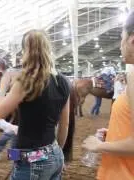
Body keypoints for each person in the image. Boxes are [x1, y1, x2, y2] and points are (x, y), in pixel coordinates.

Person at [0, 29, 70, 180]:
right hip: (54, 152)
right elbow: (64, 124)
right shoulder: (63, 81)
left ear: (25, 51)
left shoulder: (26, 81)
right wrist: (57, 154)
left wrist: (2, 86)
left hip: (32, 159)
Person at [82, 11, 134, 180]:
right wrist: (114, 133)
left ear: (132, 40)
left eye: (121, 38)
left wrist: (100, 145)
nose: (120, 46)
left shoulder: (133, 76)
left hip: (122, 173)